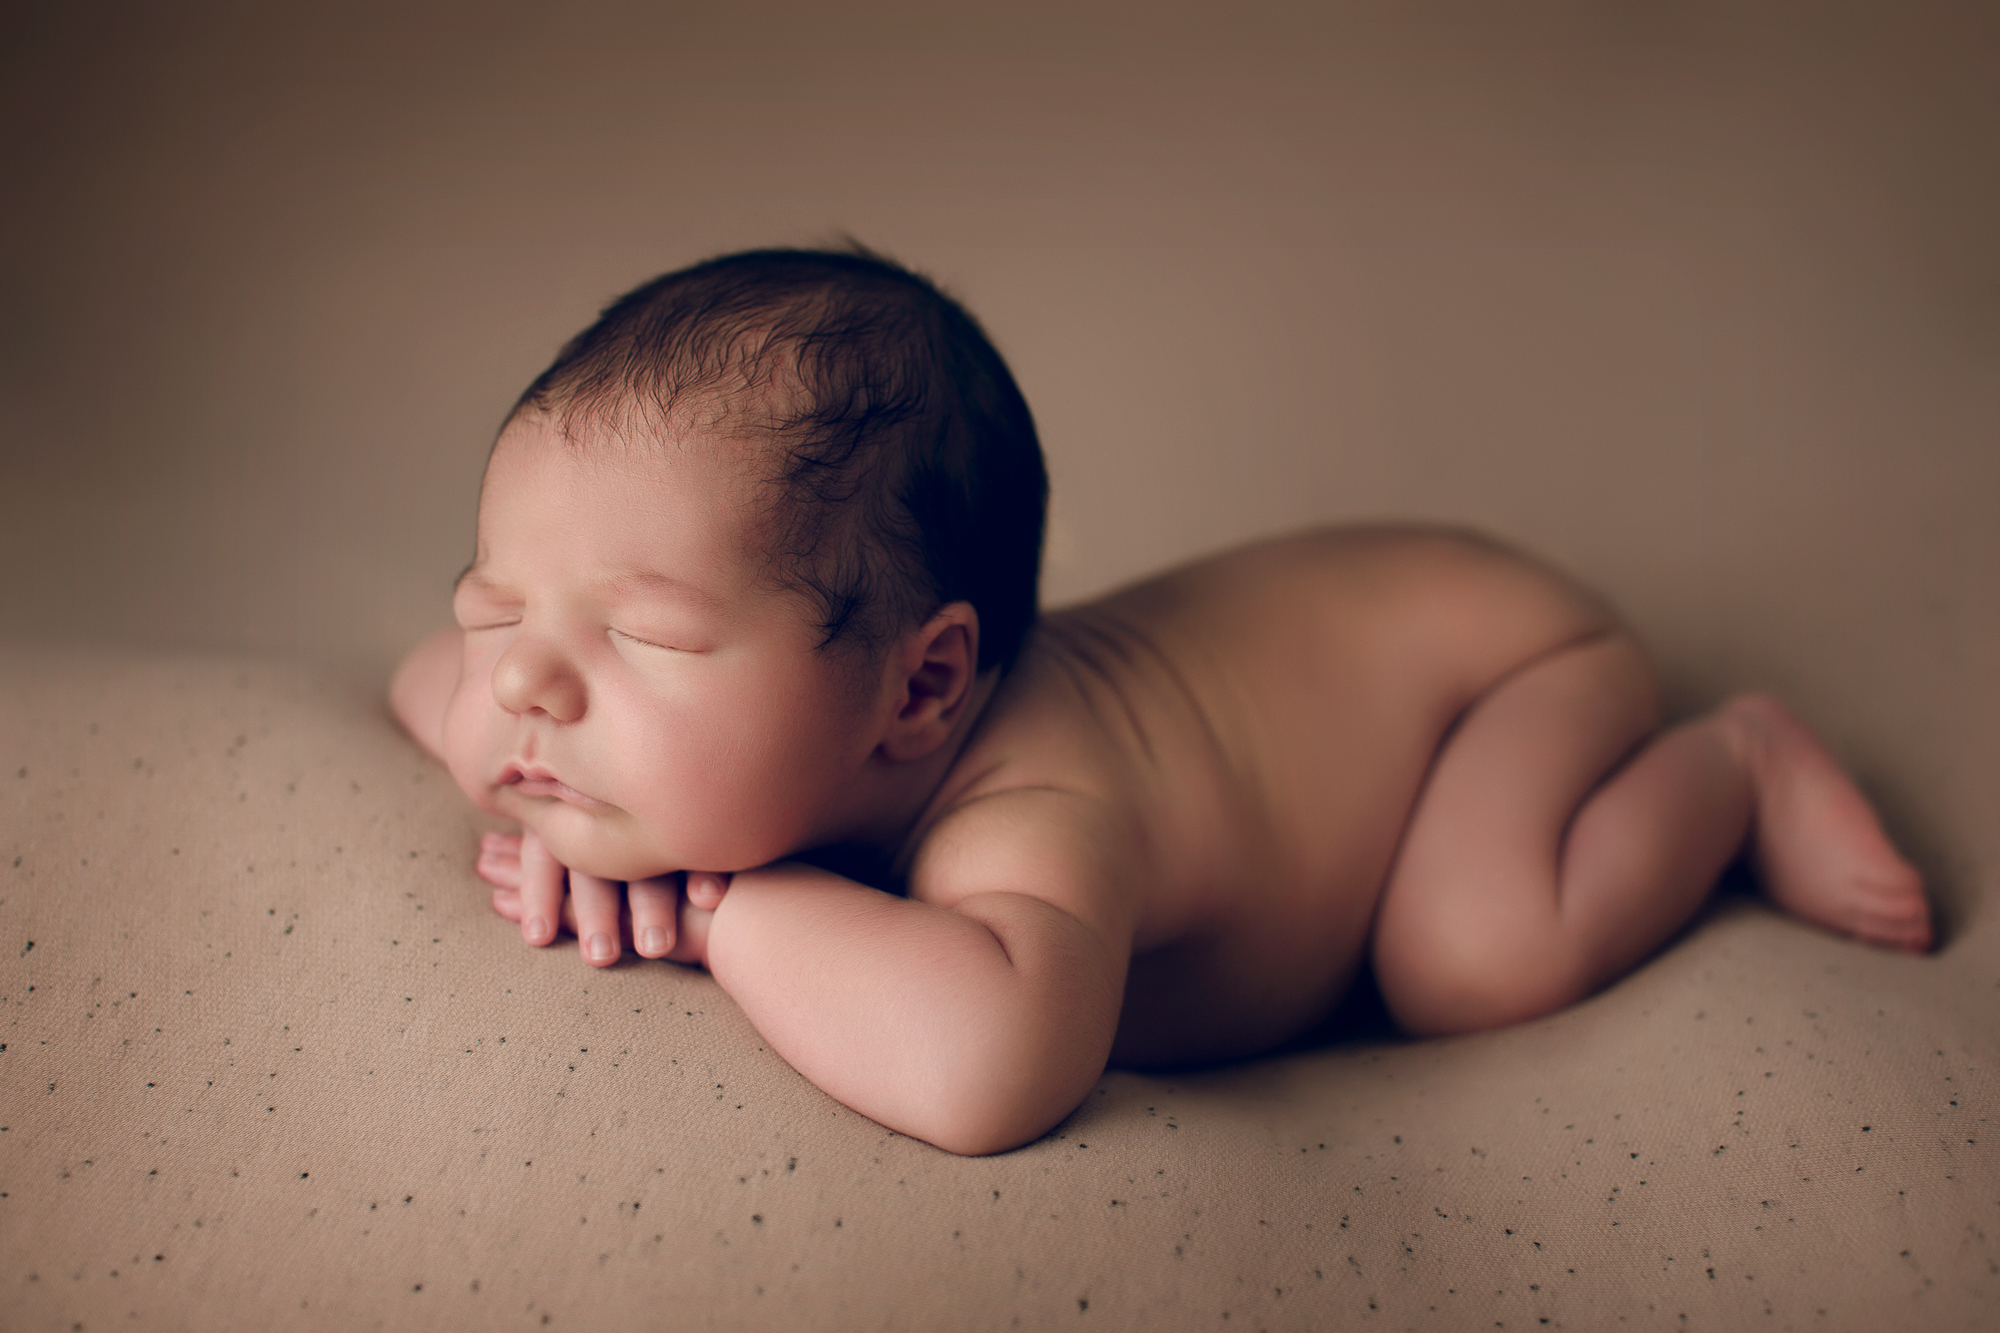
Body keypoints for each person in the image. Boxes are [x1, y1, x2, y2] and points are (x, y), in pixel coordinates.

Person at [390, 246, 1932, 1156]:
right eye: (497, 602)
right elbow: (431, 684)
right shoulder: (571, 688)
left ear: (919, 684)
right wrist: (550, 786)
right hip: (1341, 624)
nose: (520, 675)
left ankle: (1738, 763)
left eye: (645, 640)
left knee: (1472, 951)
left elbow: (988, 1065)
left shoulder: (1040, 805)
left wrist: (720, 903)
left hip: (1495, 667)